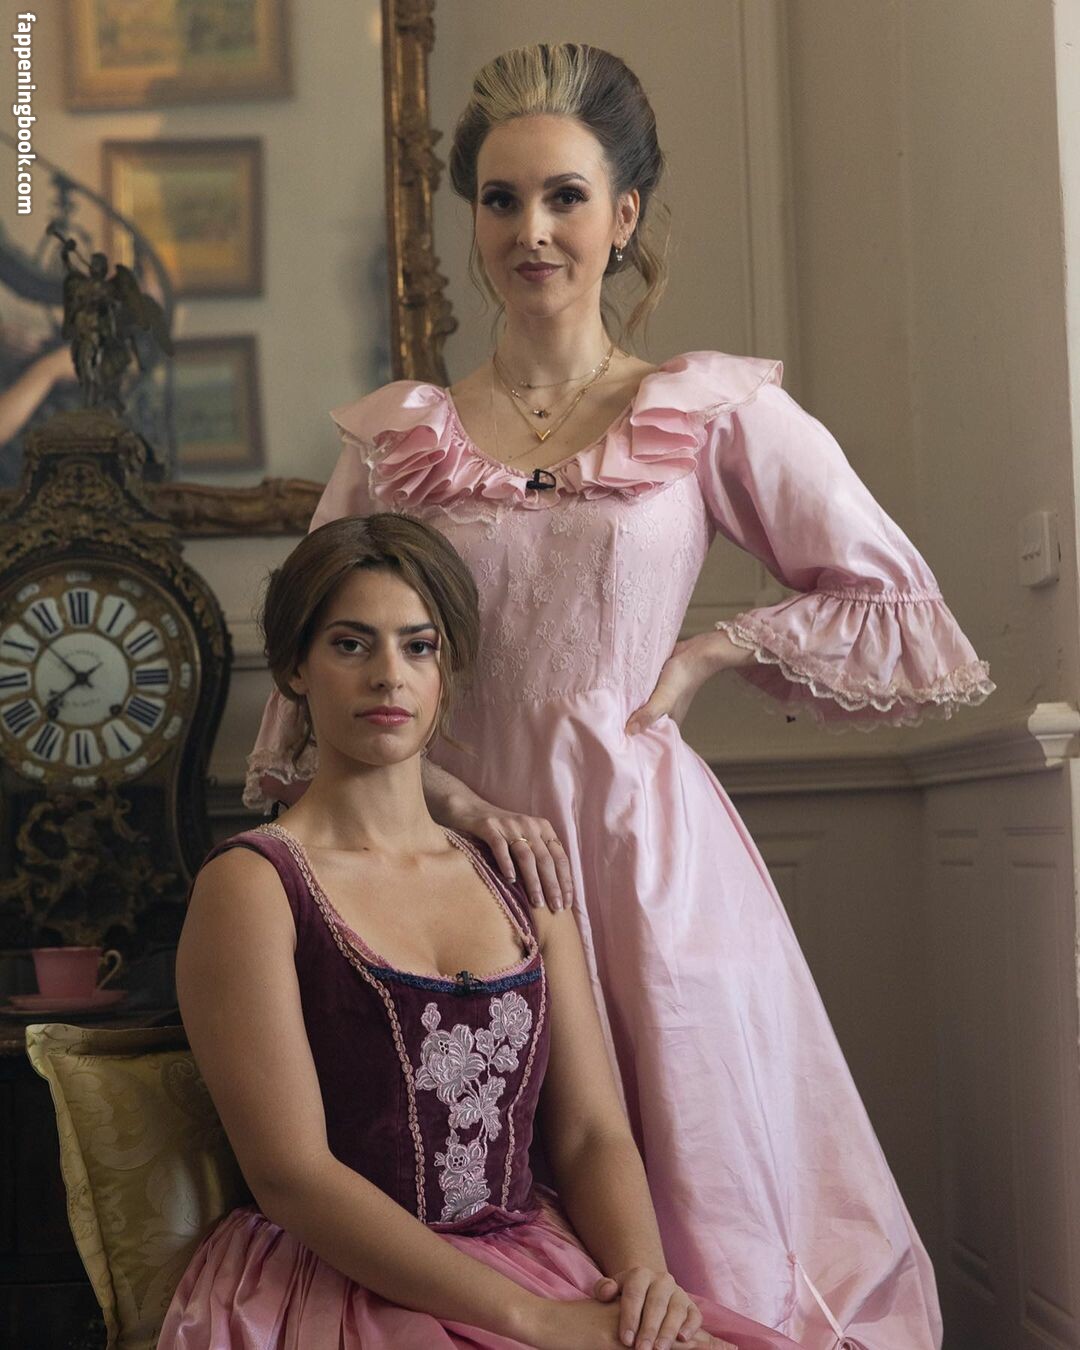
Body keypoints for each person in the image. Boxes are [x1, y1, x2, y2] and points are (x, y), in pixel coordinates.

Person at [246, 44, 994, 1349]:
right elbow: (320, 662)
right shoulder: (403, 440)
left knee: (695, 1192)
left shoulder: (701, 411)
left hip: (650, 856)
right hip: (458, 858)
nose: (530, 231)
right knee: (492, 1187)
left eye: (565, 197)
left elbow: (893, 596)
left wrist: (706, 656)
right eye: (500, 199)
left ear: (624, 214)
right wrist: (455, 800)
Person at [160, 513, 799, 1350]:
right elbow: (293, 1176)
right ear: (294, 669)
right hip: (340, 1281)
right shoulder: (254, 884)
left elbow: (591, 1132)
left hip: (533, 1258)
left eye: (418, 647)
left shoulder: (518, 874)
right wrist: (534, 1319)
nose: (389, 675)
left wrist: (643, 1278)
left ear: (447, 669)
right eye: (351, 645)